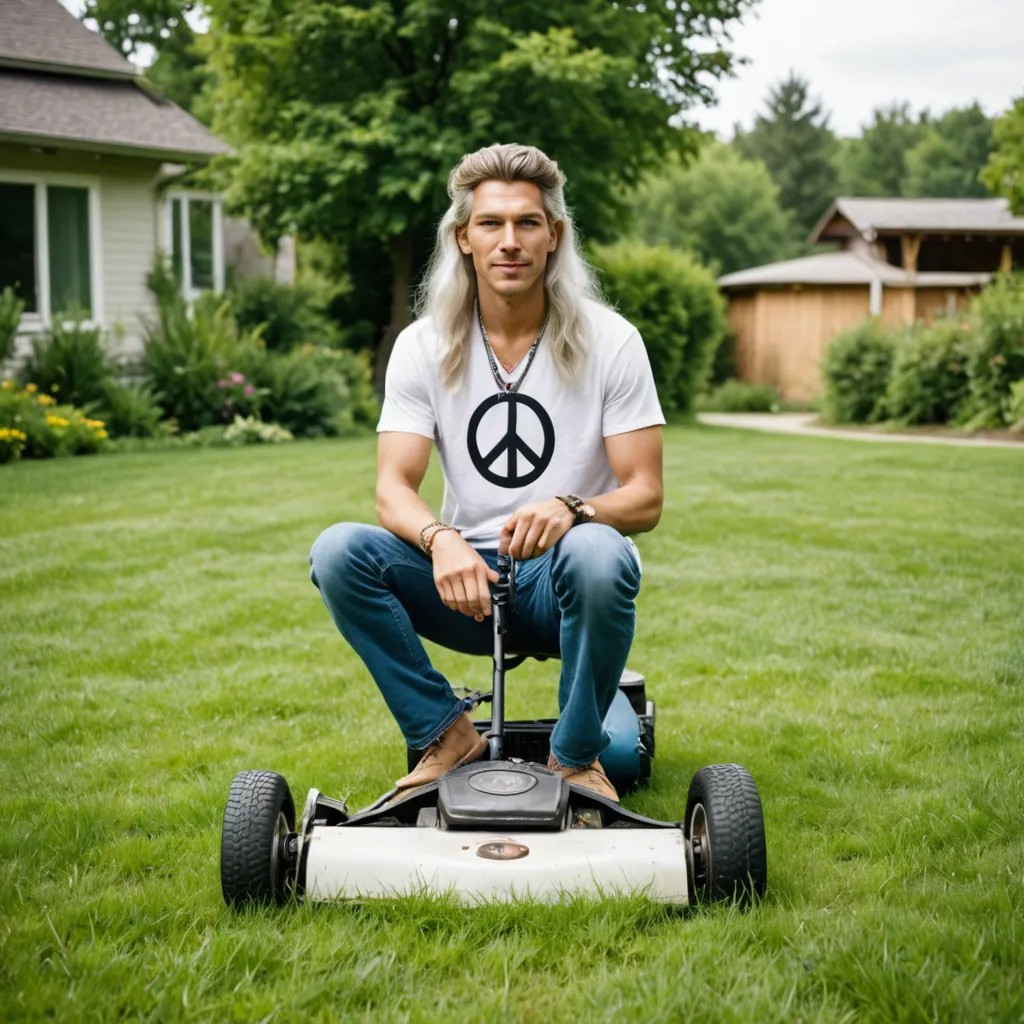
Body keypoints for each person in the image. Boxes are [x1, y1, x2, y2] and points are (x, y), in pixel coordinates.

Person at [309, 142, 664, 803]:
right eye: (491, 224)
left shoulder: (612, 341)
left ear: (554, 237)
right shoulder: (424, 345)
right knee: (338, 551)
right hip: (466, 585)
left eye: (528, 223)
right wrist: (441, 540)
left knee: (597, 562)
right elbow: (393, 489)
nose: (510, 242)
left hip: (564, 582)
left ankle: (577, 756)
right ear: (463, 237)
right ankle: (445, 734)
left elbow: (644, 498)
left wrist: (573, 509)